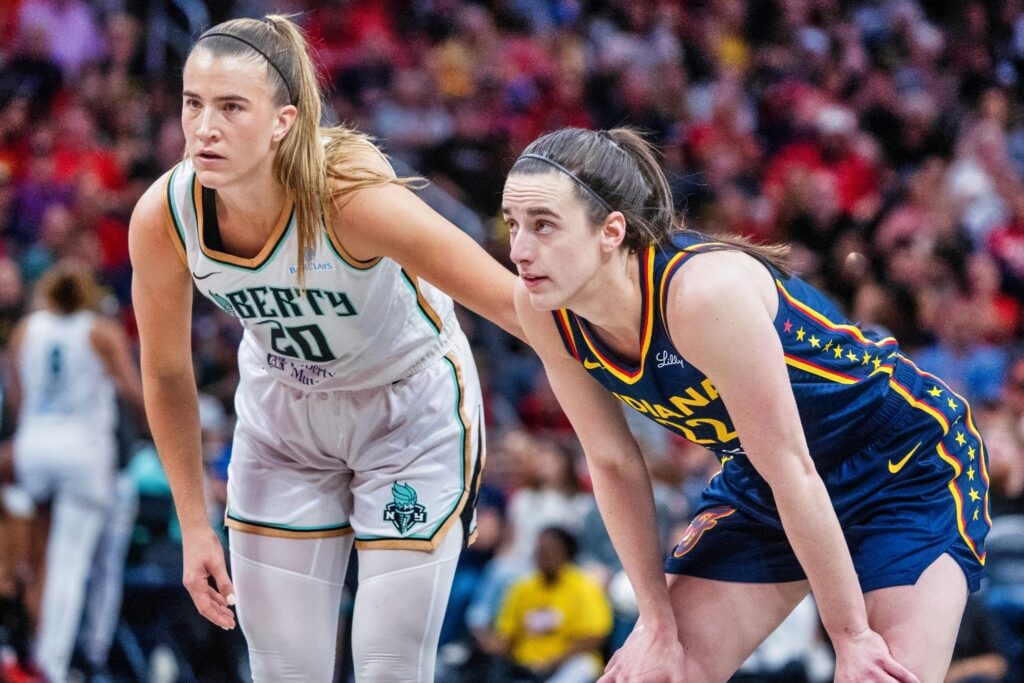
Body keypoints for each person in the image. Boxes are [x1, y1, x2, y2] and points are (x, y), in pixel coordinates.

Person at [503, 127, 990, 683]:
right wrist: (656, 623)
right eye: (513, 224)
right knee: (658, 671)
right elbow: (612, 462)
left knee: (880, 674)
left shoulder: (702, 295)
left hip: (901, 465)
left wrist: (850, 636)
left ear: (611, 231)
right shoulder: (542, 306)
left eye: (543, 225)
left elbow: (795, 467)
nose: (519, 250)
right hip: (765, 478)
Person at [127, 14, 519, 682]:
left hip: (406, 413)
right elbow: (166, 374)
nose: (204, 127)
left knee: (390, 666)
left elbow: (511, 303)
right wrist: (194, 523)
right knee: (284, 671)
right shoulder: (166, 215)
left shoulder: (351, 199)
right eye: (193, 104)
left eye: (230, 107)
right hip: (284, 418)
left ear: (282, 120)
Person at [6, 262, 143, 683]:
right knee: (69, 564)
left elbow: (17, 396)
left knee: (31, 562)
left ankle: (21, 652)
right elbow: (134, 393)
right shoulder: (100, 332)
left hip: (34, 447)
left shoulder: (26, 330)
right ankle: (53, 666)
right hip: (81, 454)